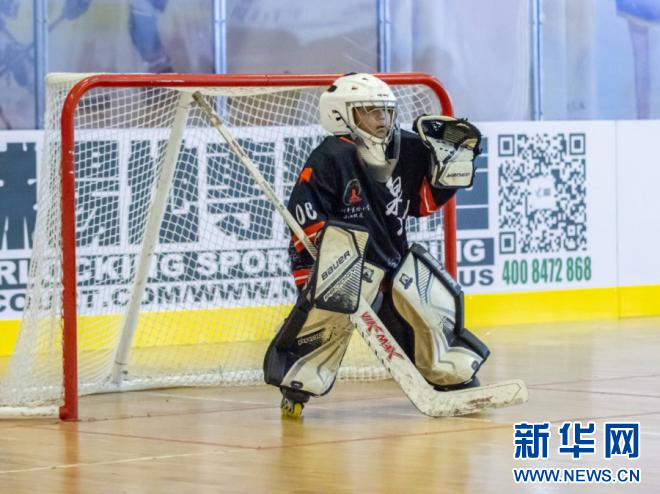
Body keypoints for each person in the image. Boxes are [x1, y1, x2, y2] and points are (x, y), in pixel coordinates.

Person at [263, 73, 490, 417]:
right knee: (328, 318)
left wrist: (452, 168)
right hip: (341, 265)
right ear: (341, 114)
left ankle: (446, 372)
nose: (382, 119)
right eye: (370, 111)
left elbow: (422, 203)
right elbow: (304, 215)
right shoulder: (330, 157)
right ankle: (297, 383)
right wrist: (327, 263)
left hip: (390, 263)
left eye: (385, 110)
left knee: (422, 307)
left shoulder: (405, 147)